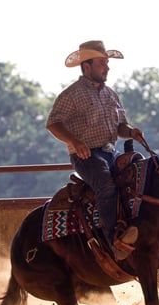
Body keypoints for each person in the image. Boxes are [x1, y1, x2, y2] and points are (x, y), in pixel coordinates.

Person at [46, 40, 144, 261]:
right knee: (105, 183)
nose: (107, 67)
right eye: (101, 63)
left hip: (111, 153)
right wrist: (75, 142)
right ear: (87, 66)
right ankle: (113, 242)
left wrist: (131, 132)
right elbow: (53, 123)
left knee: (141, 171)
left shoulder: (110, 94)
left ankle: (140, 229)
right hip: (87, 155)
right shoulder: (72, 94)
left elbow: (120, 127)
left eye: (107, 63)